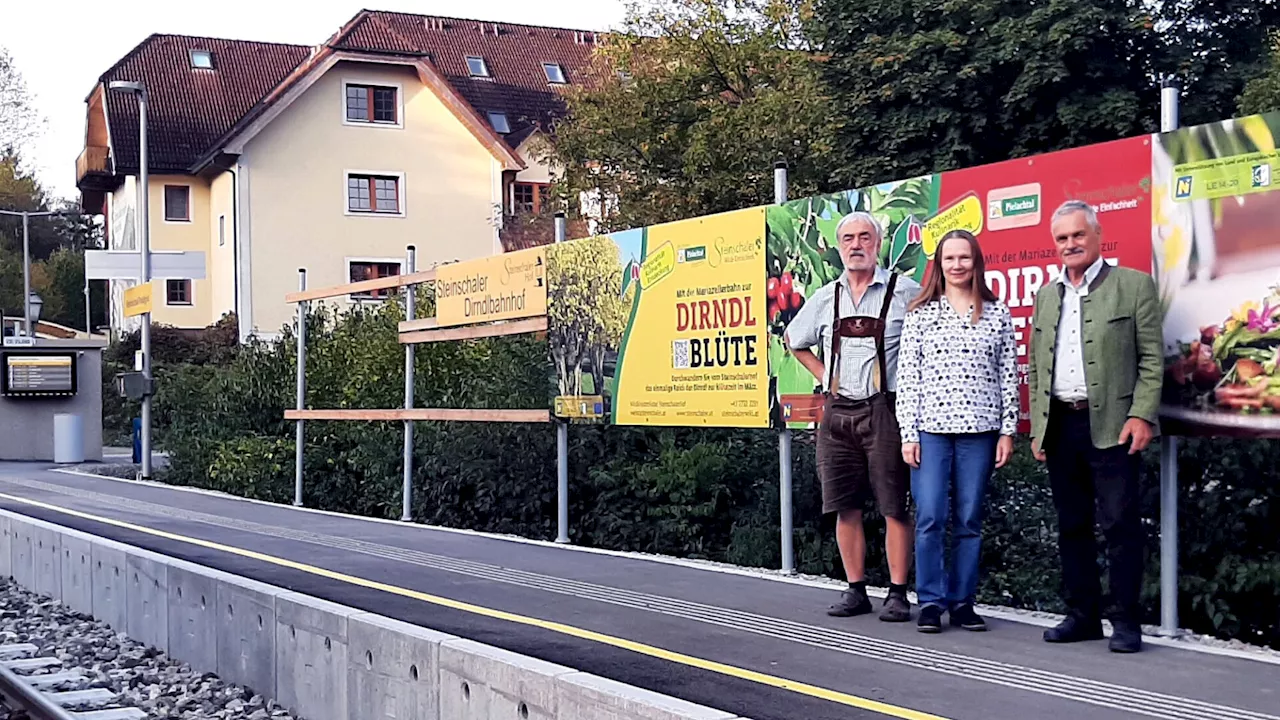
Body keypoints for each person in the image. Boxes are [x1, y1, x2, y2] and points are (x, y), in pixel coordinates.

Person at [1028, 199, 1163, 654]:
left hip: (1114, 426)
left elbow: (1151, 360)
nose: (1070, 244)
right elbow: (1035, 366)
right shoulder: (1047, 296)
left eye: (1077, 235)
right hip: (1061, 426)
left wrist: (1142, 414)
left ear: (1096, 236)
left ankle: (1126, 622)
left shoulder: (1134, 286)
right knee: (1072, 525)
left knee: (1121, 524)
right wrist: (1038, 428)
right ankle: (1083, 616)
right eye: (1062, 238)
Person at [784, 211, 921, 622]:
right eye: (848, 238)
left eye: (864, 237)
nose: (856, 245)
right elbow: (795, 340)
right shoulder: (826, 297)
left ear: (877, 244)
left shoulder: (905, 292)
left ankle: (898, 593)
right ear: (839, 246)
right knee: (844, 505)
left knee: (894, 505)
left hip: (886, 410)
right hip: (837, 413)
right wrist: (825, 377)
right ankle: (856, 589)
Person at [896, 229, 1018, 634]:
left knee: (968, 519)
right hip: (930, 431)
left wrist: (1007, 431)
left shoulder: (997, 313)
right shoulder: (920, 314)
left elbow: (1008, 376)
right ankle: (930, 602)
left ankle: (962, 602)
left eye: (965, 258)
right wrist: (907, 434)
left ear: (976, 262)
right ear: (939, 264)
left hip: (980, 431)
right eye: (950, 259)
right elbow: (909, 377)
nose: (957, 265)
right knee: (930, 515)